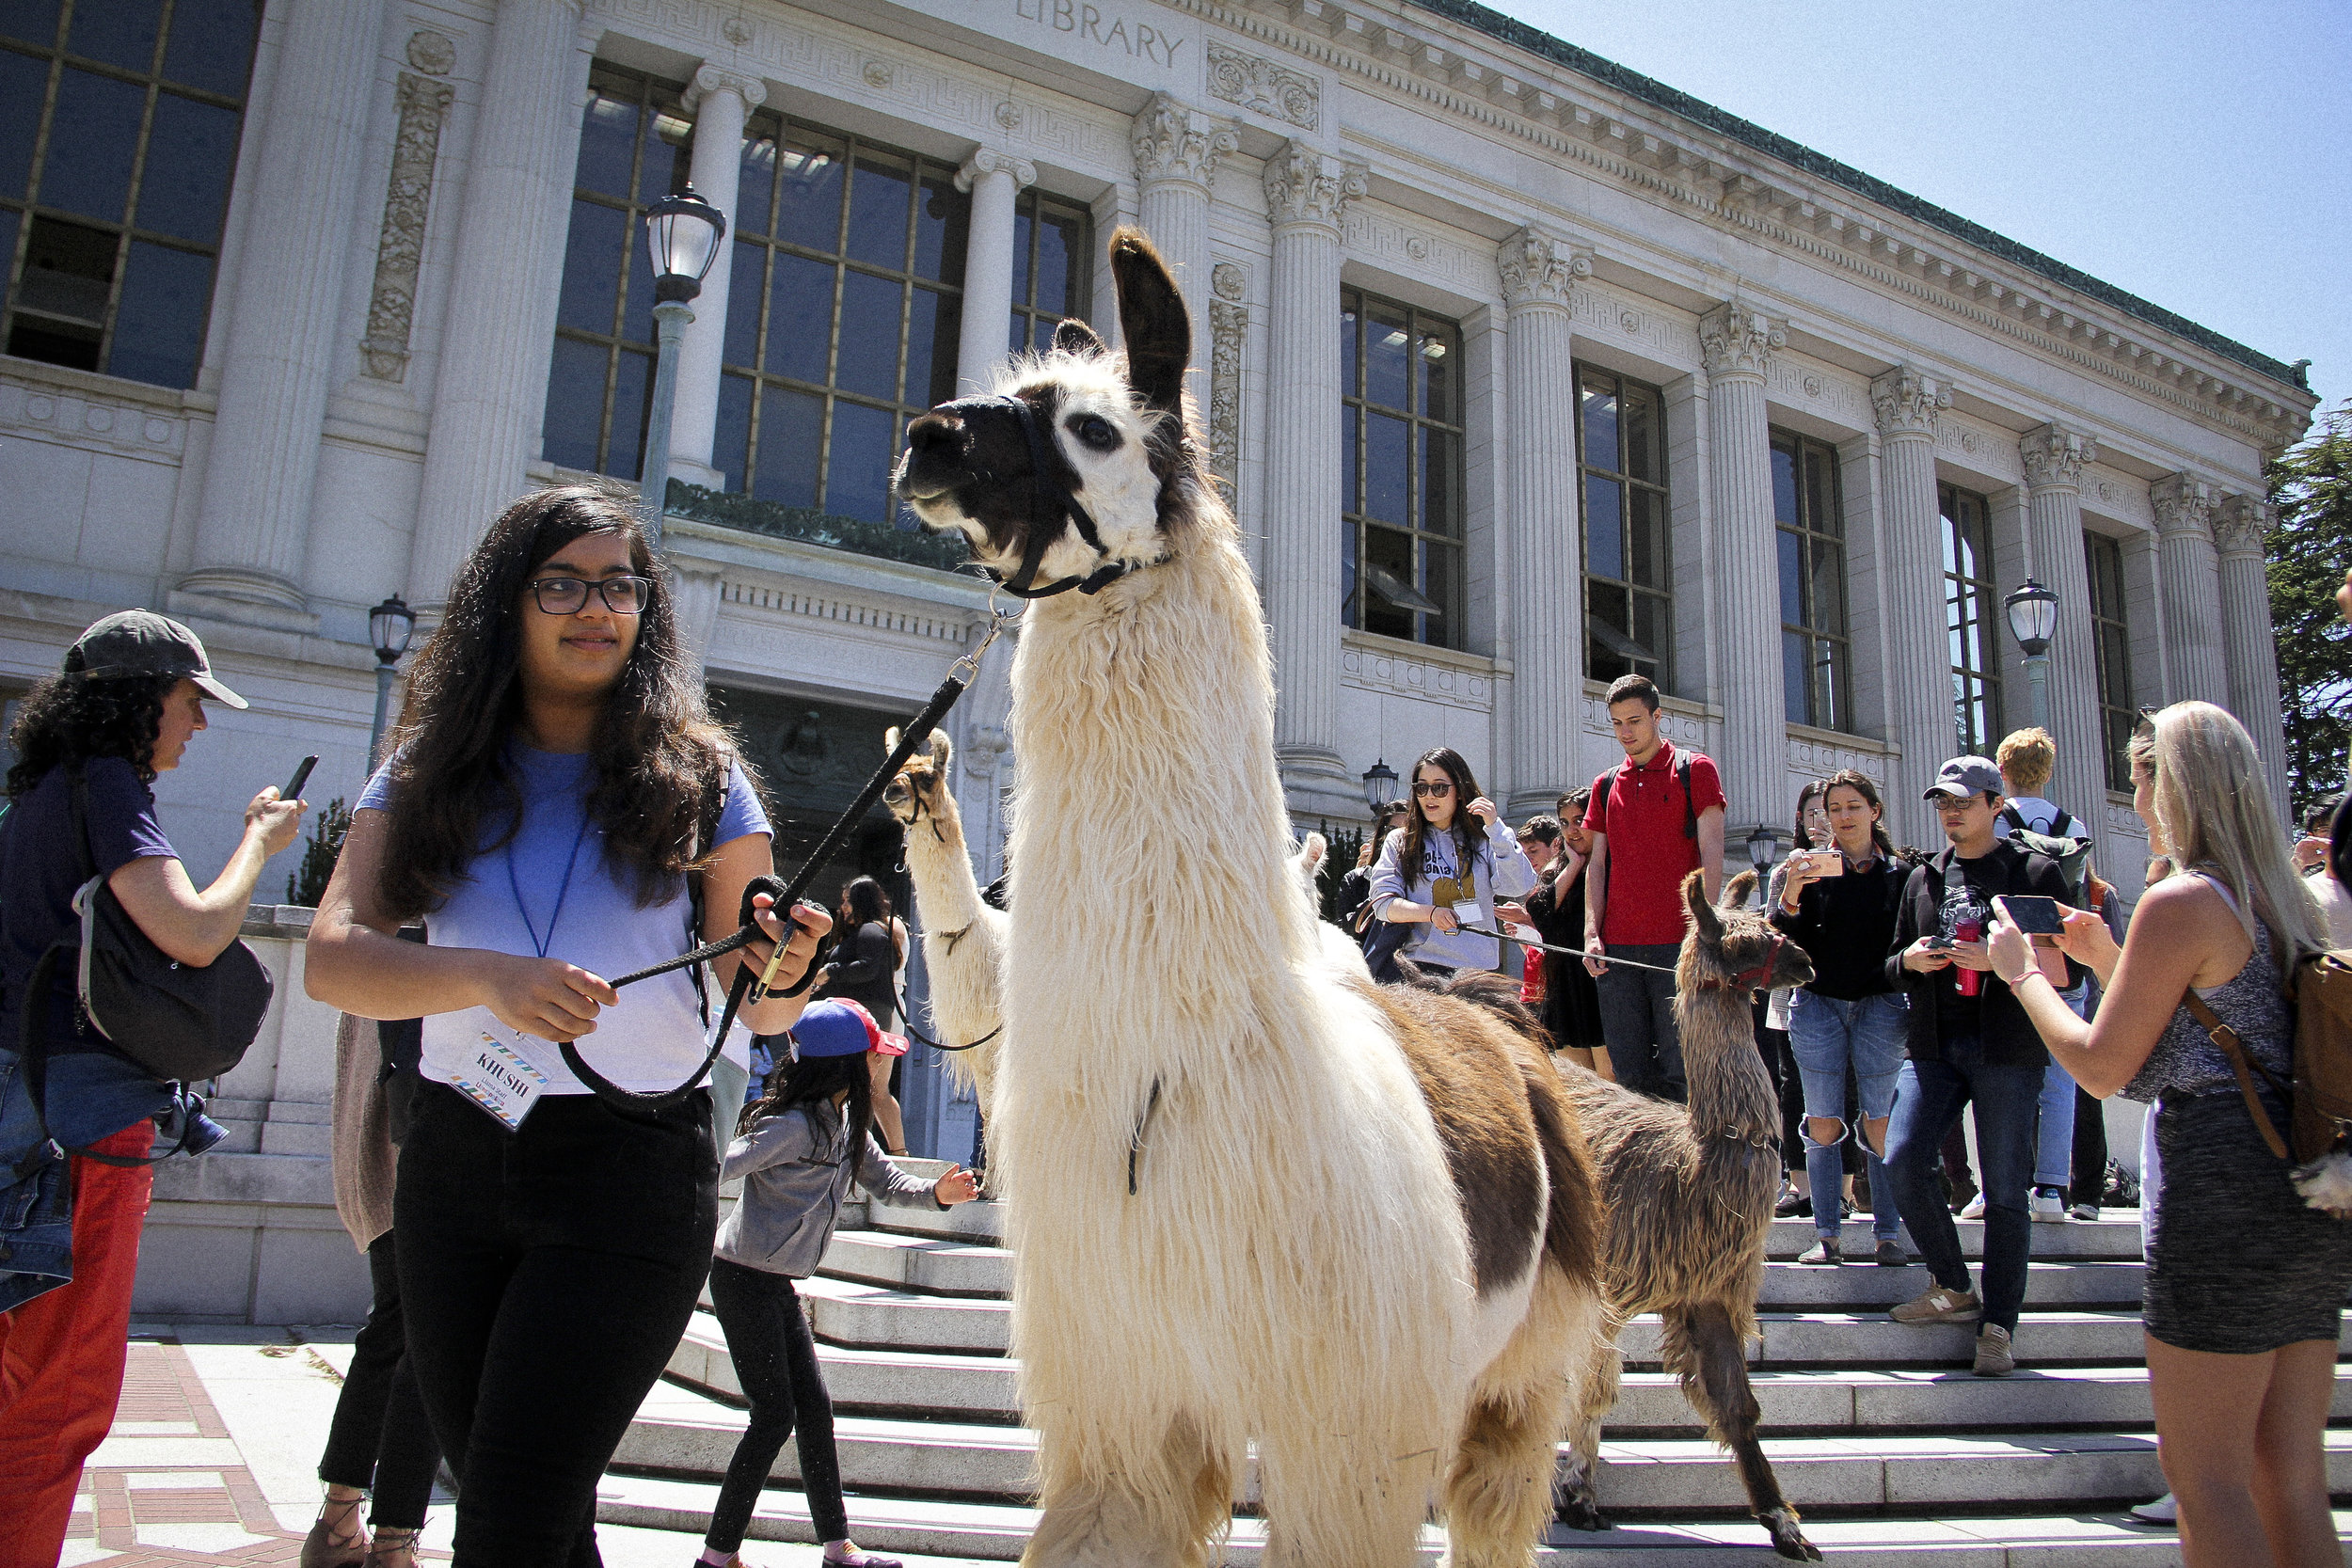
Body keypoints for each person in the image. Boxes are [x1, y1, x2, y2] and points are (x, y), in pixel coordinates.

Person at [304, 486, 832, 1568]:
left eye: (618, 585)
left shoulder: (708, 781)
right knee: (528, 1506)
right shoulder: (423, 772)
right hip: (452, 1165)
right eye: (562, 583)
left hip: (628, 1172)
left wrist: (788, 963)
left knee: (510, 1511)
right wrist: (486, 977)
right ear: (509, 603)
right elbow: (333, 959)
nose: (596, 608)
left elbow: (762, 1003)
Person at [1986, 702, 2351, 1565]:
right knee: (2291, 1475)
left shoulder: (2184, 898)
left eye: (2141, 775)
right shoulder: (2292, 899)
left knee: (2207, 1476)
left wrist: (2024, 977)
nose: (2134, 796)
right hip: (2305, 1191)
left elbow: (2103, 1068)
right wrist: (2113, 961)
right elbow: (2199, 1045)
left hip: (2221, 1192)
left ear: (2169, 781)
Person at [0, 610, 305, 1567]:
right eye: (189, 701)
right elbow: (194, 929)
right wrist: (260, 841)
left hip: (22, 1118)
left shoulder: (34, 796)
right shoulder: (109, 783)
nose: (199, 725)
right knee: (58, 1398)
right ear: (141, 701)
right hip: (77, 1136)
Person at [703, 1000, 979, 1568]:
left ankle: (837, 1548)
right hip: (741, 1279)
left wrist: (937, 1195)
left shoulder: (850, 1127)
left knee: (814, 1410)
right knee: (775, 1415)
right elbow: (716, 1166)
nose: (883, 1069)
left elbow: (890, 1182)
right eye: (876, 1058)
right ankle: (716, 1557)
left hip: (774, 1285)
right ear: (848, 1065)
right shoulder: (791, 1127)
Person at [1881, 754, 2079, 1378]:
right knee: (1903, 1158)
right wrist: (1910, 960)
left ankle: (1999, 1326)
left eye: (1963, 801)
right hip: (1935, 1043)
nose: (1951, 812)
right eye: (1943, 802)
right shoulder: (1922, 877)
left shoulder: (2036, 871)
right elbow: (1889, 963)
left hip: (2007, 1047)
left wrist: (2001, 963)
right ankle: (1953, 1284)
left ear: (1997, 803)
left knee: (2005, 1194)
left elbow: (2065, 971)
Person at [306, 1011, 443, 1568]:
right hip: (427, 1144)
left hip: (386, 1152)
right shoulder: (429, 926)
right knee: (431, 1348)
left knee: (390, 1333)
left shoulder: (370, 926)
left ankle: (339, 1523)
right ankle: (392, 1540)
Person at [1773, 770, 1912, 1266]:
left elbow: (1907, 939)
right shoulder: (1809, 869)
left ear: (1874, 811)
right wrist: (1791, 888)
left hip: (1881, 1004)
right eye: (1834, 809)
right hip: (1817, 1004)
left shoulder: (1901, 873)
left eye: (1853, 806)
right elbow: (1779, 940)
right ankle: (1827, 1235)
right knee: (1824, 1121)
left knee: (1879, 1122)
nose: (1843, 817)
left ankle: (1887, 1235)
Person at [1581, 673, 1727, 1101]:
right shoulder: (1605, 784)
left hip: (1679, 948)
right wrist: (1592, 932)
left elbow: (1713, 853)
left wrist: (1706, 933)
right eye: (1617, 723)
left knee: (1685, 1075)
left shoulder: (1695, 770)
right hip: (1618, 950)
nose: (1626, 732)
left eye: (1635, 720)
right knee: (1629, 1078)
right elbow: (1597, 864)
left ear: (1657, 716)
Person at [1991, 727, 2090, 1224]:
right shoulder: (2074, 825)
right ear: (2047, 771)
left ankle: (2001, 1184)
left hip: (2015, 966)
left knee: (2003, 1076)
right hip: (2064, 965)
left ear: (2002, 771)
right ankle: (2051, 1188)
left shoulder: (1997, 823)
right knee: (2060, 1084)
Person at [1366, 747, 1535, 981]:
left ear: (1459, 790)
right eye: (1421, 788)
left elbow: (1519, 886)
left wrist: (1496, 828)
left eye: (1439, 787)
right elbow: (1383, 904)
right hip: (1420, 968)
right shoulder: (1401, 840)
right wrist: (1431, 913)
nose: (1430, 796)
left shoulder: (1484, 840)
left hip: (1478, 971)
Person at [1497, 814, 1608, 1076]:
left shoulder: (1579, 878)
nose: (1530, 860)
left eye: (1534, 851)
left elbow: (1559, 926)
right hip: (1538, 989)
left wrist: (1526, 919)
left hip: (1575, 986)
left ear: (1556, 845)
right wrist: (1522, 933)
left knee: (1600, 1075)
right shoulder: (1540, 886)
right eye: (1525, 853)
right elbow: (1539, 946)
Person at [817, 877, 909, 1154]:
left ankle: (859, 1149)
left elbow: (867, 968)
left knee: (865, 1087)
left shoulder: (873, 932)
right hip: (882, 1012)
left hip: (874, 1012)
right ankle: (894, 1152)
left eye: (847, 900)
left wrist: (831, 971)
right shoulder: (881, 930)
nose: (842, 906)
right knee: (874, 1090)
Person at [1337, 800, 1410, 932]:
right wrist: (1380, 890)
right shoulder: (1357, 880)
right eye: (1392, 830)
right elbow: (1343, 931)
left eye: (1407, 832)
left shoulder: (1425, 881)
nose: (1398, 838)